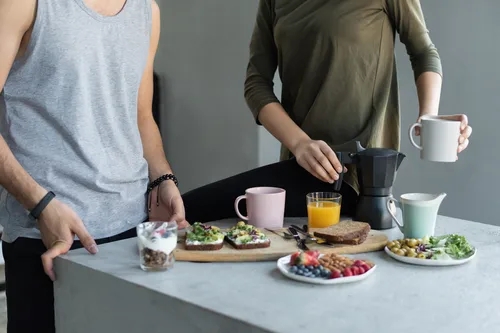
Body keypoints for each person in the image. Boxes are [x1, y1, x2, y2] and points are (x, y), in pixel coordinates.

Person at [182, 0, 472, 222]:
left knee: (189, 210)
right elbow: (256, 83)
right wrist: (300, 144)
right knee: (186, 214)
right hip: (299, 165)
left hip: (358, 177)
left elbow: (423, 52)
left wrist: (428, 117)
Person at [0, 0, 188, 332]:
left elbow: (141, 117)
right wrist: (41, 205)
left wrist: (163, 178)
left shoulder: (147, 11)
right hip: (48, 230)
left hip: (131, 232)